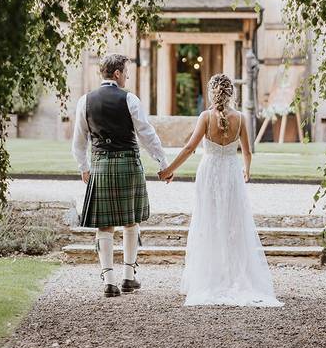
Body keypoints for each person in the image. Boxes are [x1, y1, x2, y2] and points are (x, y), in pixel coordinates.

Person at [159, 74, 282, 307]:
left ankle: (209, 277)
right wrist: (247, 171)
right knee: (234, 224)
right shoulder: (241, 118)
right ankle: (233, 275)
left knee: (208, 221)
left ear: (211, 93)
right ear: (231, 94)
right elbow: (247, 152)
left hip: (210, 173)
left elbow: (188, 148)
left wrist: (168, 170)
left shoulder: (205, 117)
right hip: (232, 173)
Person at [72, 54, 172, 297]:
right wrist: (163, 163)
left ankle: (109, 281)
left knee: (104, 225)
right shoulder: (130, 99)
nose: (128, 75)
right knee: (130, 220)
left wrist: (84, 167)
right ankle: (128, 277)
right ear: (116, 73)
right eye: (126, 71)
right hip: (128, 164)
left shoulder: (85, 101)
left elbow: (79, 141)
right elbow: (147, 135)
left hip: (101, 165)